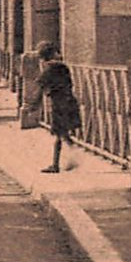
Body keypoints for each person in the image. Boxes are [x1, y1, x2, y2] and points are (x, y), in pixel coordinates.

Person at [35, 41, 82, 173]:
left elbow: (40, 84)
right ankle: (70, 157)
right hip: (69, 101)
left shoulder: (49, 69)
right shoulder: (63, 67)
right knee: (62, 133)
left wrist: (34, 103)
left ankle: (60, 163)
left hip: (59, 104)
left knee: (59, 133)